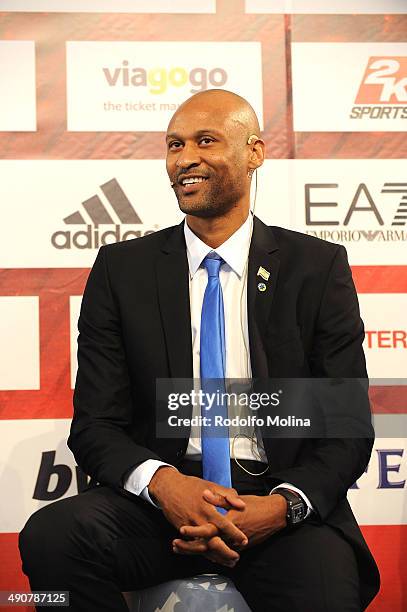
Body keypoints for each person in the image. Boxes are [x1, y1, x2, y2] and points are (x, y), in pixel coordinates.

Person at [19, 89, 380, 612]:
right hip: (156, 509)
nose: (184, 158)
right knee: (52, 538)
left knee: (326, 587)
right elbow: (96, 425)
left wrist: (280, 509)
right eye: (174, 145)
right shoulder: (123, 270)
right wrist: (164, 485)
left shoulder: (315, 268)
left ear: (254, 152)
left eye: (205, 140)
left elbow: (346, 430)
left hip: (273, 509)